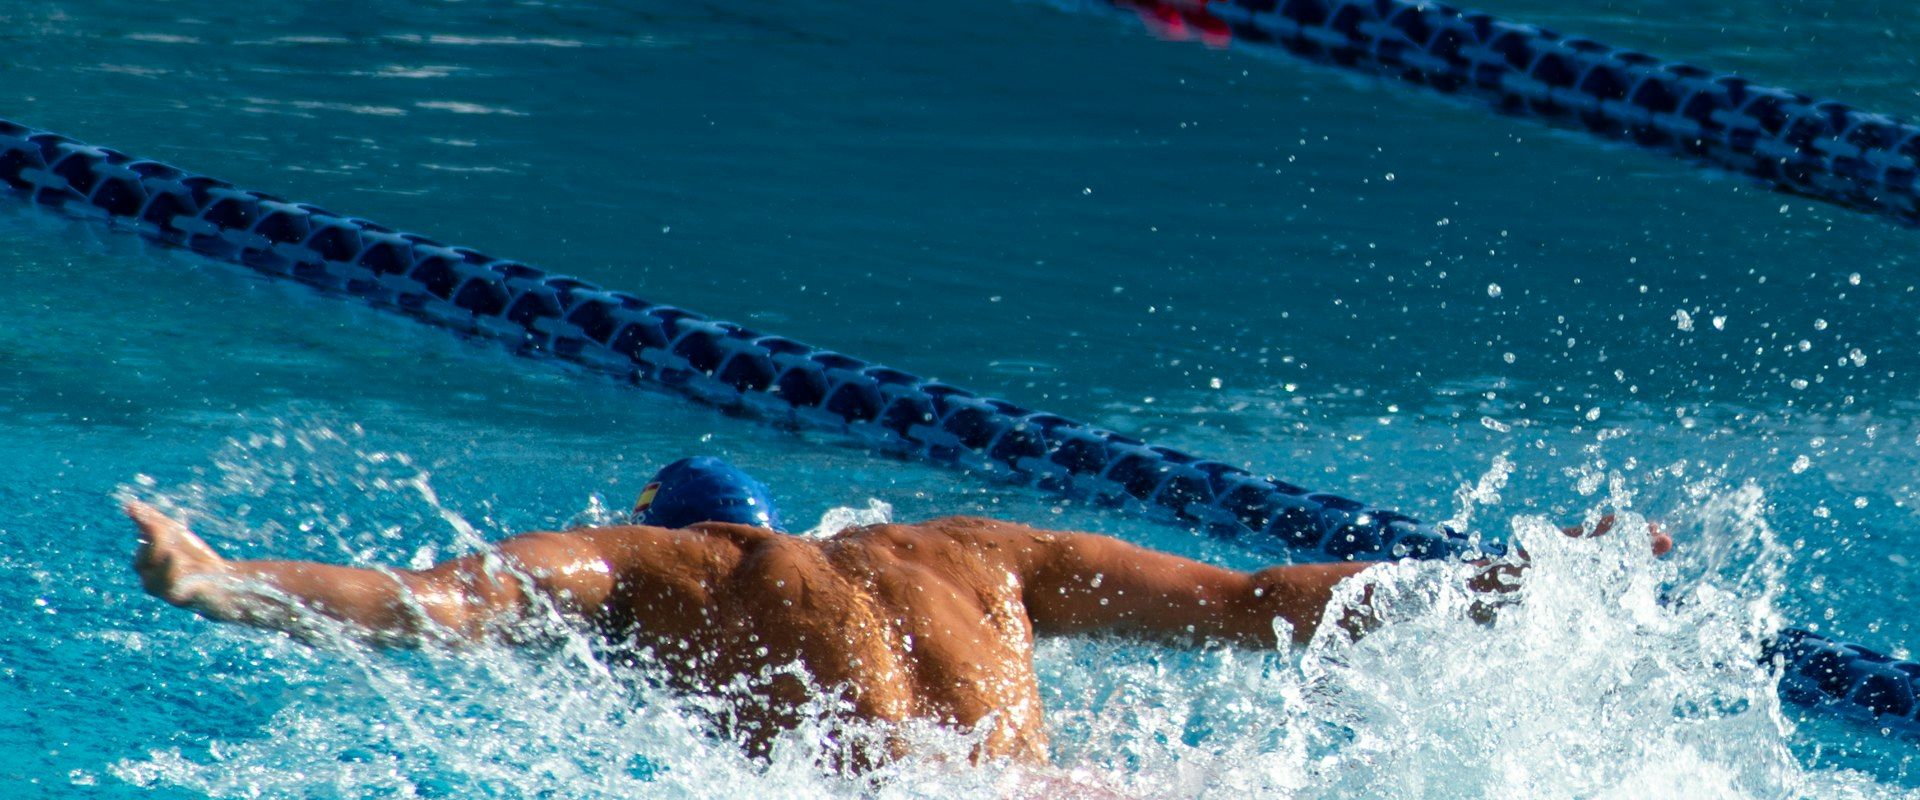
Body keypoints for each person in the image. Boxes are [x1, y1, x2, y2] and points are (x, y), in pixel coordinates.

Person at [126, 457, 1670, 768]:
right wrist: (1514, 586)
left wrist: (219, 581)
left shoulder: (652, 573)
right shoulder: (972, 550)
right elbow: (1268, 604)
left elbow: (434, 605)